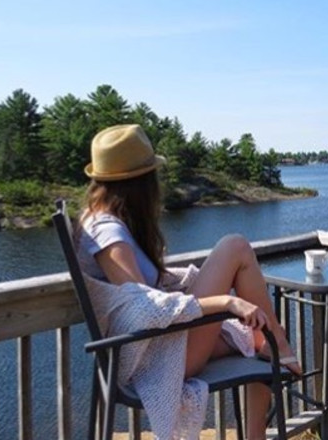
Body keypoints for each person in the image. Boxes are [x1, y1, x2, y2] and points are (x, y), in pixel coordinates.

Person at [77, 124, 301, 440]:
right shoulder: (106, 232)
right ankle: (279, 343)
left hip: (165, 343)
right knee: (235, 246)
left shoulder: (108, 222)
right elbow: (142, 304)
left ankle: (257, 426)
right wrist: (227, 301)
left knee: (255, 343)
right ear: (142, 182)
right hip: (159, 357)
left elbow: (144, 292)